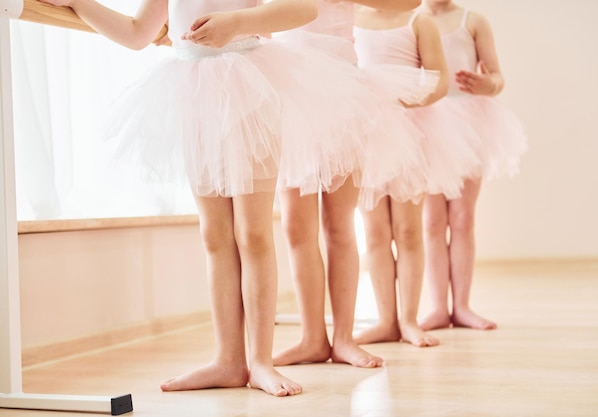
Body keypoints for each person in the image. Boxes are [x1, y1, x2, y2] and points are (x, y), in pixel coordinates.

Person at [36, 0, 399, 396]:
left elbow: (302, 9)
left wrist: (240, 21)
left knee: (254, 232)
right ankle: (229, 359)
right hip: (194, 92)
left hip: (249, 86)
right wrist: (77, 3)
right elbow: (138, 33)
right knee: (214, 234)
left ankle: (260, 360)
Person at [271, 0, 428, 368]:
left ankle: (343, 338)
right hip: (289, 93)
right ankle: (312, 337)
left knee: (339, 224)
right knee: (296, 228)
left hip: (342, 93)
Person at [352, 5, 479, 347]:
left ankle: (409, 319)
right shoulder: (353, 19)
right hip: (368, 135)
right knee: (375, 232)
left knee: (408, 229)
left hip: (410, 132)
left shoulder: (418, 21)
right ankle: (386, 320)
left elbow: (439, 80)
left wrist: (406, 100)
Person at [418, 0, 527, 331]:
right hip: (428, 123)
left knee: (463, 218)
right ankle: (437, 306)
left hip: (469, 121)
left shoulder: (473, 20)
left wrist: (487, 85)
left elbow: (497, 76)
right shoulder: (412, 19)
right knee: (433, 221)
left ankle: (462, 306)